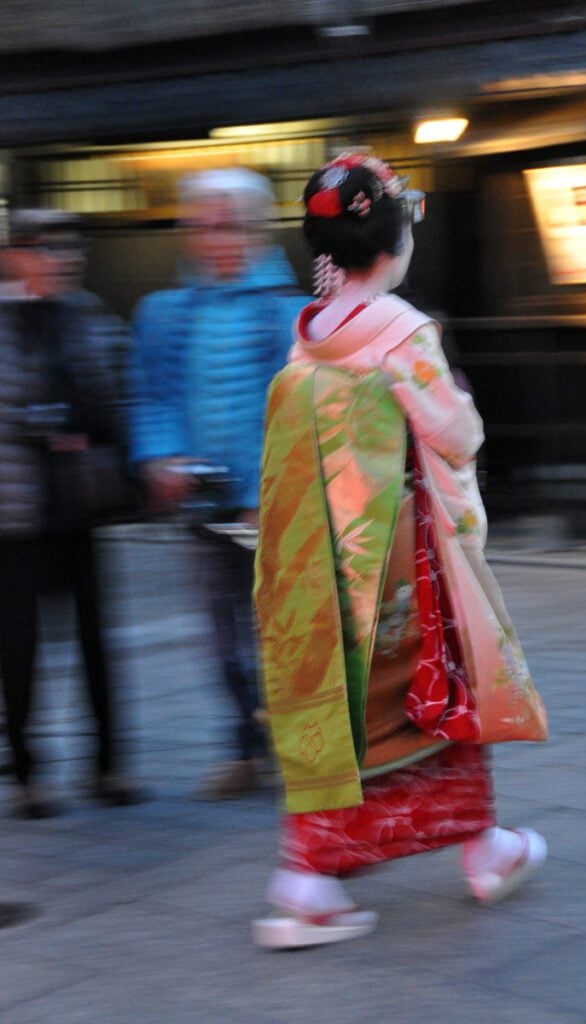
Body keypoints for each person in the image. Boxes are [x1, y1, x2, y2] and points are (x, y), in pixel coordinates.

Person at [252, 152, 548, 949]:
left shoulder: (307, 334)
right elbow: (454, 433)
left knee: (345, 710)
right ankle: (335, 874)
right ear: (392, 242)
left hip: (324, 556)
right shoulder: (402, 331)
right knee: (433, 695)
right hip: (397, 557)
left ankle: (324, 870)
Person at [129, 168, 306, 799]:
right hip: (202, 504)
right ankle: (243, 746)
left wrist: (271, 490)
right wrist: (162, 457)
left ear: (258, 227)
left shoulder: (295, 312)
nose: (213, 235)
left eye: (226, 222)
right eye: (201, 223)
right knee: (218, 639)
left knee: (281, 634)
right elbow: (150, 398)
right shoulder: (164, 313)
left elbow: (304, 410)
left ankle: (295, 748)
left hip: (274, 505)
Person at [0, 209, 142, 818]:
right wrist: (43, 423)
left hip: (80, 504)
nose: (60, 260)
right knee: (20, 647)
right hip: (16, 513)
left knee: (94, 641)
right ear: (16, 254)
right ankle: (31, 773)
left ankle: (109, 766)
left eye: (68, 249)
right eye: (46, 249)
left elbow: (114, 398)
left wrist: (80, 425)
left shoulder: (87, 316)